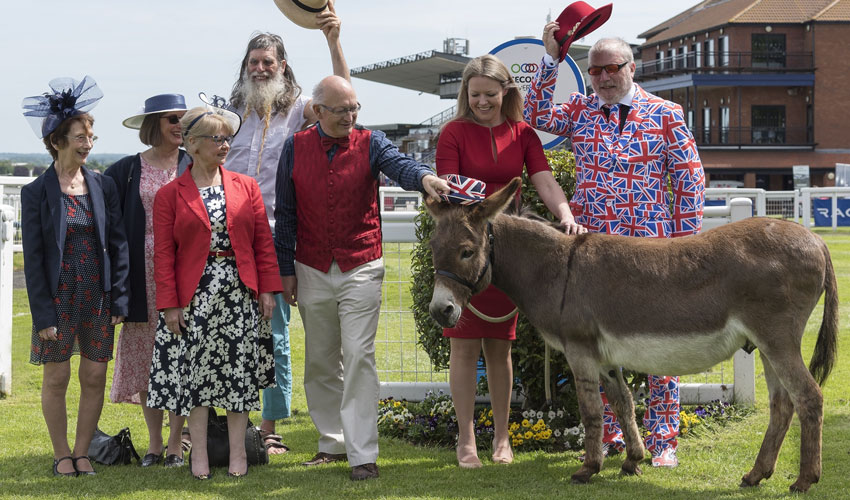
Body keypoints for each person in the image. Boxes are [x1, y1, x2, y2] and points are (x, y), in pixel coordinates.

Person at [524, 22, 706, 467]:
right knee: (599, 346)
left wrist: (684, 245)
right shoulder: (579, 110)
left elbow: (689, 180)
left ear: (631, 66)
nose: (604, 77)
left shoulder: (666, 113)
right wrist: (551, 58)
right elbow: (533, 115)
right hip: (593, 257)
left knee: (662, 342)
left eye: (612, 68)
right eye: (596, 70)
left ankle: (663, 441)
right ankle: (612, 435)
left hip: (652, 253)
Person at [274, 75, 450, 481]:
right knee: (320, 359)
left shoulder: (371, 142)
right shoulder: (294, 148)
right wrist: (286, 271)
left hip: (361, 265)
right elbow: (285, 214)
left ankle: (363, 454)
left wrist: (425, 180)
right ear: (318, 112)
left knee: (358, 355)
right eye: (341, 110)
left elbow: (401, 165)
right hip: (310, 266)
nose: (350, 116)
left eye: (355, 108)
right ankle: (332, 443)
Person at [435, 54, 583, 469]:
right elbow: (448, 195)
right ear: (466, 93)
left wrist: (565, 215)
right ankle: (466, 441)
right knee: (462, 348)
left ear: (506, 92)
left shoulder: (523, 133)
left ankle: (502, 439)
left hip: (510, 258)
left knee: (500, 349)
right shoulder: (453, 133)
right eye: (474, 93)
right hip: (467, 256)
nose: (482, 101)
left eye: (490, 94)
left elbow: (545, 180)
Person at [224, 3, 348, 454]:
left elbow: (344, 97)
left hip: (278, 239)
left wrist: (333, 42)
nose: (259, 69)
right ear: (245, 68)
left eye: (267, 63)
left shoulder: (299, 111)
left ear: (281, 68)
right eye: (253, 63)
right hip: (228, 237)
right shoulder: (230, 113)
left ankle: (270, 427)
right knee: (227, 330)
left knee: (272, 332)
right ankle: (227, 424)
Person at [146, 106, 282, 479]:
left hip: (238, 295)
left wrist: (269, 289)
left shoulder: (246, 186)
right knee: (197, 380)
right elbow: (163, 256)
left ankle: (239, 452)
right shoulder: (170, 195)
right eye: (215, 138)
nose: (224, 145)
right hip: (194, 298)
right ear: (192, 145)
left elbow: (262, 245)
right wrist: (170, 305)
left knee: (238, 375)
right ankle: (200, 454)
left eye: (226, 138)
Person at [21, 76, 130, 476]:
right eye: (80, 137)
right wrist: (43, 315)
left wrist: (119, 298)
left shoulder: (103, 186)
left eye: (91, 137)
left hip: (97, 297)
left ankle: (83, 452)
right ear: (57, 141)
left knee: (95, 373)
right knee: (57, 377)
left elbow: (118, 246)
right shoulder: (35, 193)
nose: (87, 144)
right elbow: (33, 260)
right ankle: (61, 453)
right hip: (57, 298)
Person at [104, 94, 192, 468]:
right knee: (146, 360)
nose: (180, 126)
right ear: (154, 123)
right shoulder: (125, 170)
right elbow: (107, 225)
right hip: (140, 278)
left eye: (185, 119)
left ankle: (176, 443)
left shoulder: (195, 162)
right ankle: (154, 443)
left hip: (186, 274)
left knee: (182, 357)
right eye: (173, 119)